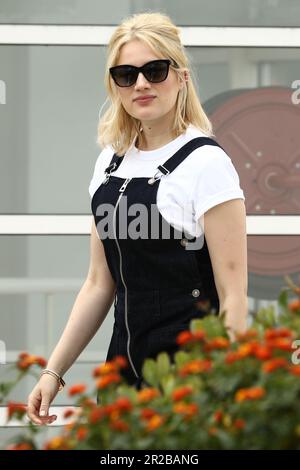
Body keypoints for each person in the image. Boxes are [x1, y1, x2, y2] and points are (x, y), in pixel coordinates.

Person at [27, 12, 248, 425]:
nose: (141, 83)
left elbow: (233, 295)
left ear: (181, 77)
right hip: (122, 378)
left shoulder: (207, 164)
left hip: (190, 381)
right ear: (115, 85)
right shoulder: (108, 165)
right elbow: (98, 283)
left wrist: (221, 388)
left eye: (155, 70)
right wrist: (52, 373)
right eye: (126, 74)